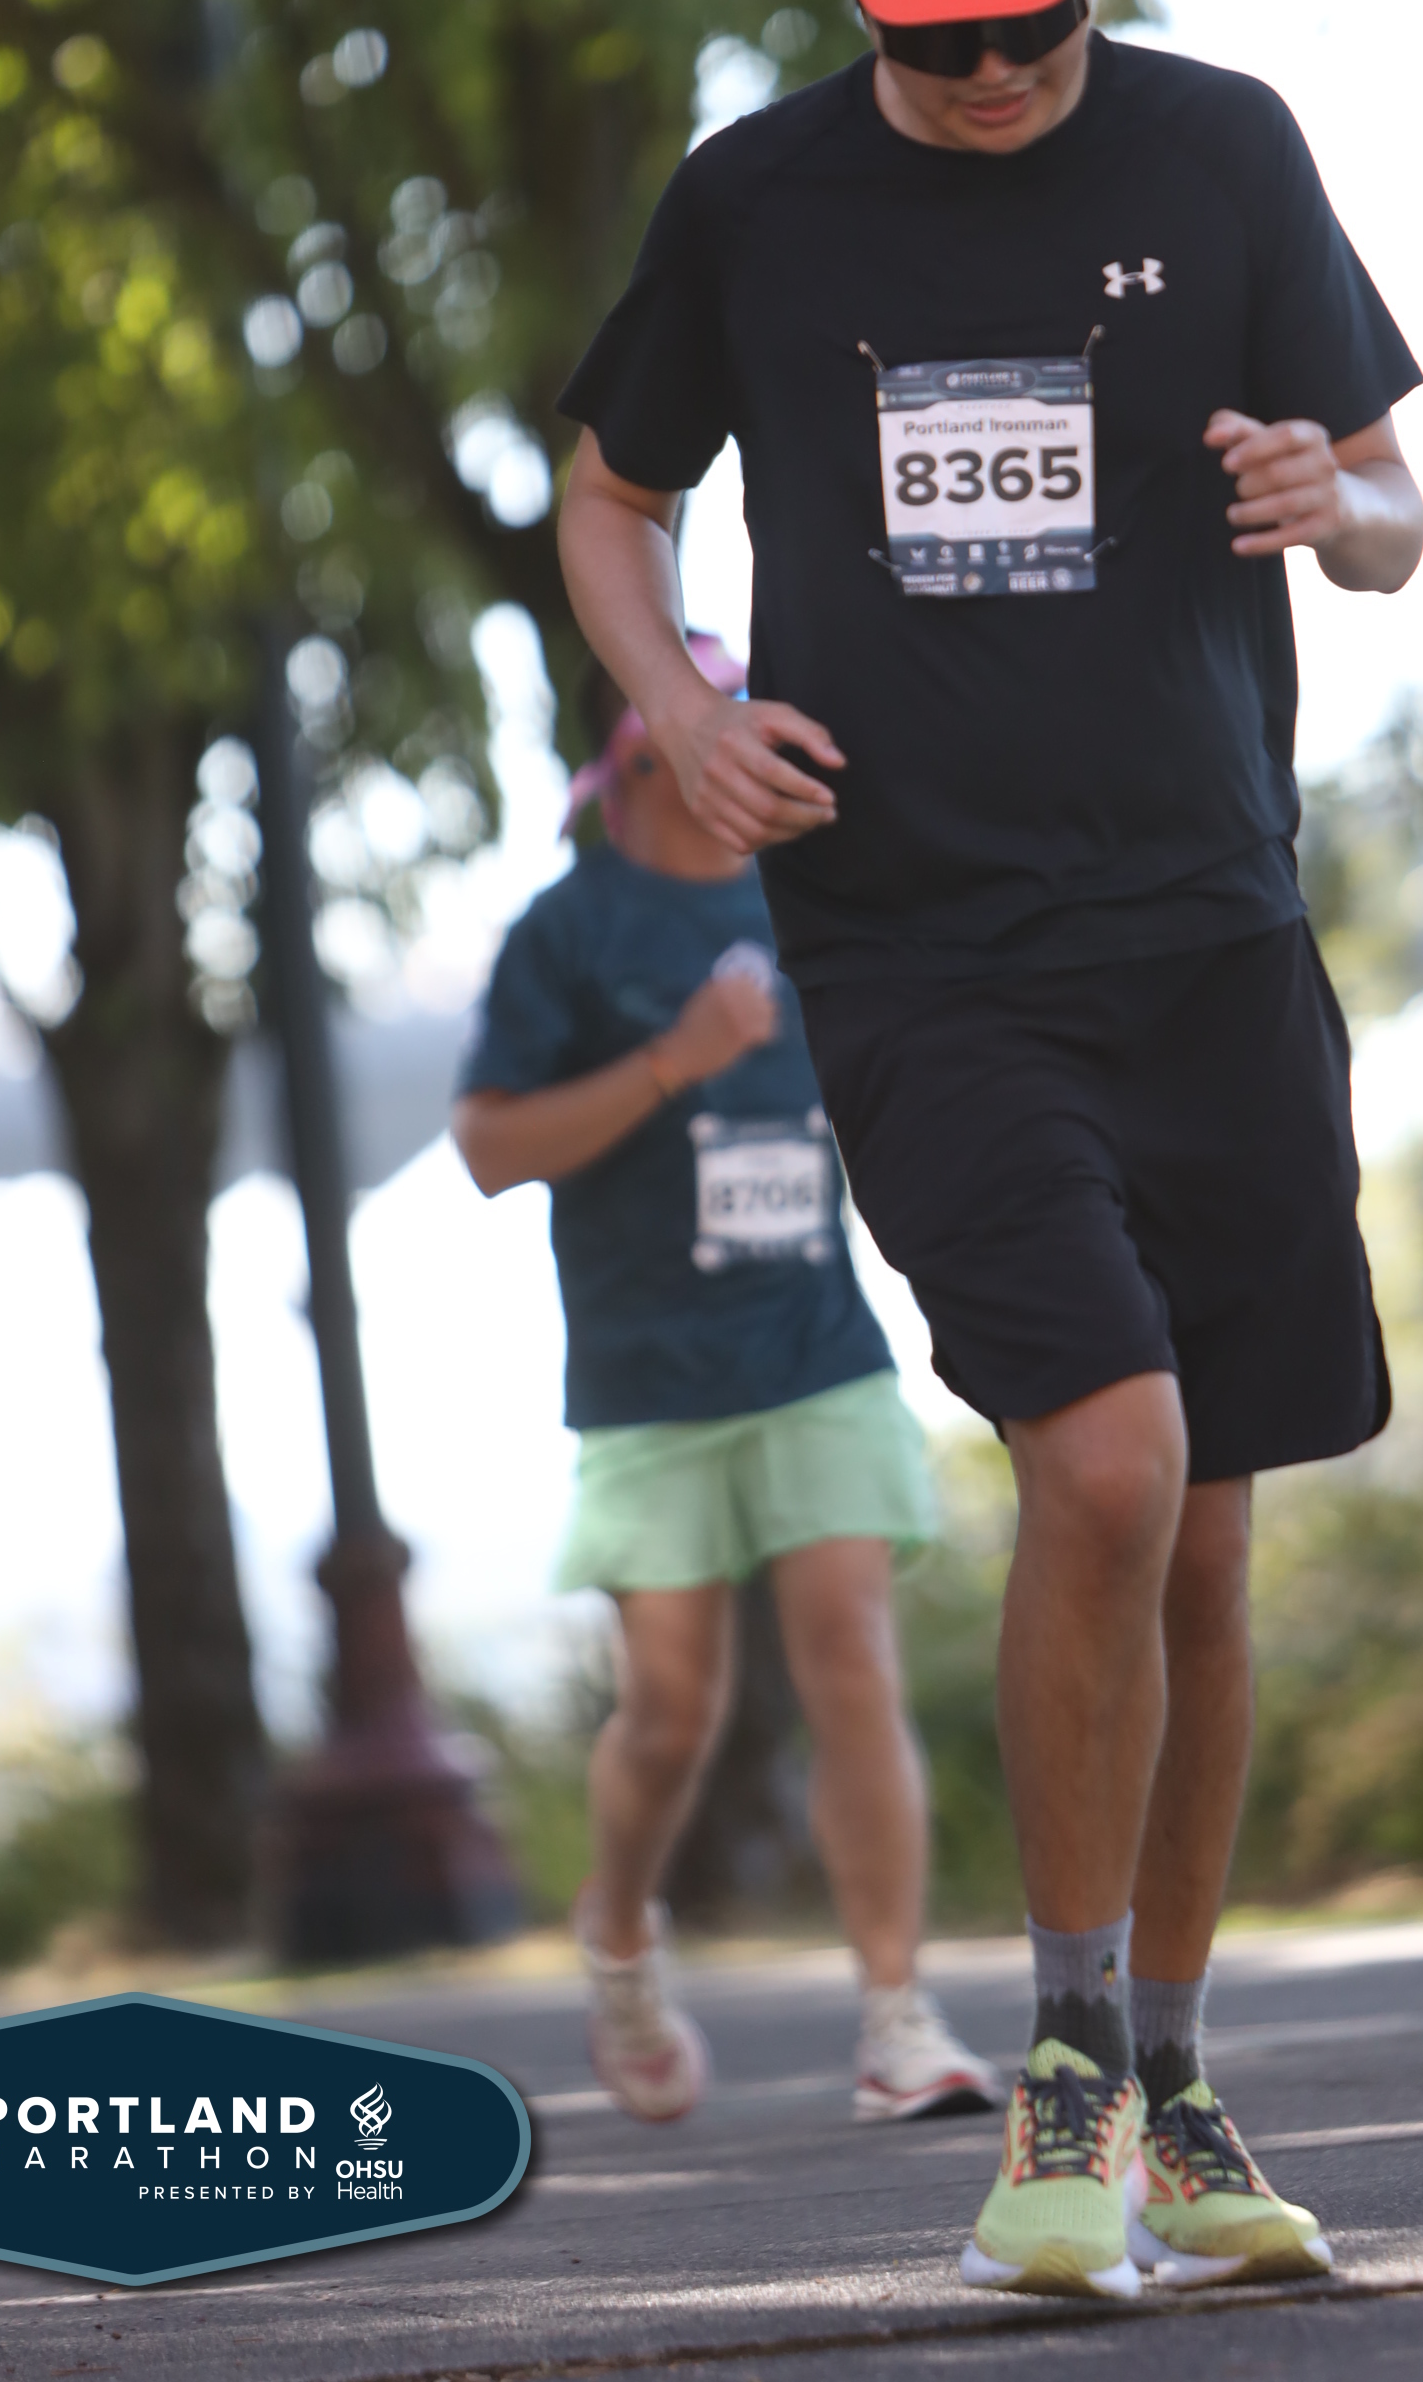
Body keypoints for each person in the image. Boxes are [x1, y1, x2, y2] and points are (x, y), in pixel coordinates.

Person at [552, 0, 1423, 2297]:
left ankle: (1171, 2086)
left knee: (1209, 1531)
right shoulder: (758, 201)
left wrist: (1329, 503)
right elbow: (609, 493)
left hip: (1209, 925)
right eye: (935, 39)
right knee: (1110, 1461)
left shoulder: (1221, 152)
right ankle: (1055, 2086)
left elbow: (1392, 508)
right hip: (920, 944)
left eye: (1026, 24)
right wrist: (681, 706)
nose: (989, 72)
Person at [450, 631, 1000, 2130]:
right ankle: (621, 1937)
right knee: (673, 1710)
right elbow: (489, 1148)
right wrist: (671, 1064)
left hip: (817, 1355)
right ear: (636, 759)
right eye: (707, 733)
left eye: (755, 728)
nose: (740, 760)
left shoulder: (814, 897)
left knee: (851, 1655)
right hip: (649, 1386)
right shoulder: (570, 931)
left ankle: (896, 2015)